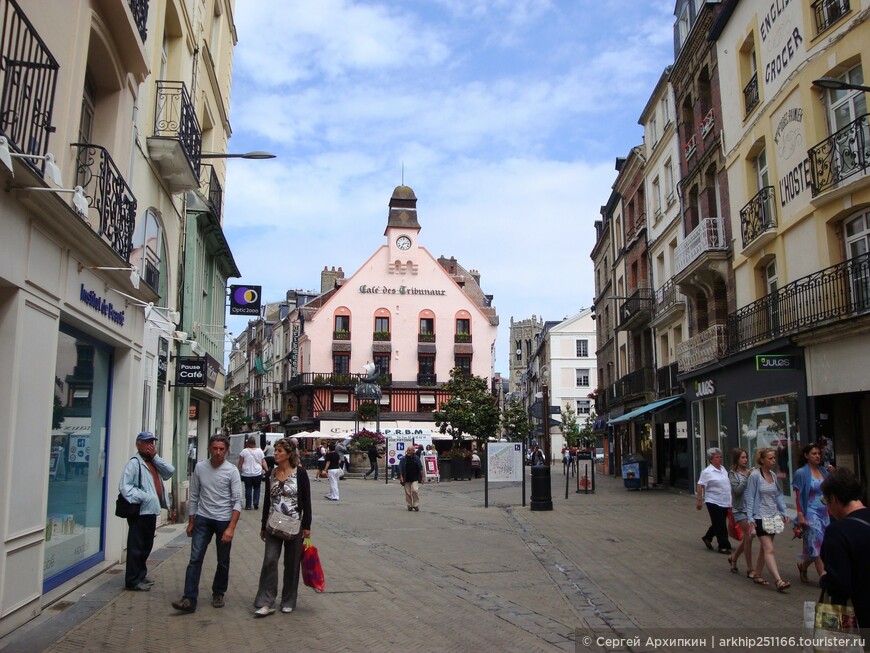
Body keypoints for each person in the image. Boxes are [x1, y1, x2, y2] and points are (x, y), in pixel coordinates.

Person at [172, 434, 242, 613]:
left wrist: (231, 528)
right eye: (215, 448)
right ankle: (189, 598)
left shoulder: (232, 471)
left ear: (226, 451)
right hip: (203, 519)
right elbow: (194, 496)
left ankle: (218, 592)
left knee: (223, 560)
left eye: (221, 449)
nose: (218, 452)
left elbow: (237, 501)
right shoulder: (200, 467)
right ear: (209, 449)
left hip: (223, 520)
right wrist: (191, 522)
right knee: (195, 559)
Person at [254, 439, 312, 617]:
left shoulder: (300, 473)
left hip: (294, 524)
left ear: (288, 454)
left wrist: (307, 525)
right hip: (273, 523)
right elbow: (267, 501)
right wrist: (263, 524)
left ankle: (288, 600)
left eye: (279, 451)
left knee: (291, 563)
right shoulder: (271, 473)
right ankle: (266, 601)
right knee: (270, 561)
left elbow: (307, 500)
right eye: (276, 450)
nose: (276, 454)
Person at [119, 432, 175, 591]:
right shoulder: (134, 463)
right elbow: (125, 486)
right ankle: (132, 580)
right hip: (140, 511)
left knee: (146, 546)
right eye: (147, 442)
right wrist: (144, 497)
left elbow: (170, 471)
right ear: (138, 444)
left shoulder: (153, 462)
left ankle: (140, 575)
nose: (150, 445)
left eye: (152, 442)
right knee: (136, 547)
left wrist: (156, 457)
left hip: (151, 511)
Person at [819, 468, 870, 627]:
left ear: (833, 498)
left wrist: (824, 580)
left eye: (826, 501)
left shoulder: (837, 531)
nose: (828, 508)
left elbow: (840, 585)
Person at [744, 447, 791, 591]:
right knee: (769, 549)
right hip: (760, 517)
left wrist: (784, 511)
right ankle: (778, 581)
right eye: (770, 458)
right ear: (762, 460)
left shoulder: (773, 475)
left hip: (773, 516)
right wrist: (750, 517)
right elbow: (750, 496)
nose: (773, 461)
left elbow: (778, 495)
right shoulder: (755, 476)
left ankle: (757, 574)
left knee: (765, 549)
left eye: (774, 458)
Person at [792, 443, 832, 583]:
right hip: (810, 512)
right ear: (806, 456)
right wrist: (800, 514)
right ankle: (823, 576)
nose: (817, 456)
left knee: (823, 543)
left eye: (818, 453)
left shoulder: (824, 471)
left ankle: (803, 566)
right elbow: (798, 495)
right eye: (814, 453)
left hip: (824, 512)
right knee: (816, 542)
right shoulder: (801, 473)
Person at [696, 447, 732, 555]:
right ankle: (723, 545)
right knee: (720, 523)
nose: (719, 459)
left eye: (720, 457)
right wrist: (699, 500)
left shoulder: (723, 469)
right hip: (713, 501)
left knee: (718, 522)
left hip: (725, 501)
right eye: (717, 457)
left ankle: (708, 537)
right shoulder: (707, 472)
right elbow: (700, 485)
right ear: (711, 459)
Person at [727, 448, 754, 575]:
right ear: (737, 459)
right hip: (739, 509)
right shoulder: (732, 474)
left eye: (746, 457)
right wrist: (747, 477)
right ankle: (750, 568)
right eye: (742, 458)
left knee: (749, 537)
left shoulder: (750, 472)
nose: (745, 460)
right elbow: (737, 490)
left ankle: (734, 558)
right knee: (748, 536)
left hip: (751, 509)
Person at [238, 436, 267, 510]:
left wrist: (238, 470)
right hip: (257, 473)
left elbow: (240, 462)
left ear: (248, 443)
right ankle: (256, 503)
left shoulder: (244, 451)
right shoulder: (260, 451)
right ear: (255, 442)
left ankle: (248, 506)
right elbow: (263, 461)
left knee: (248, 489)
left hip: (246, 473)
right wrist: (267, 470)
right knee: (257, 488)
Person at [398, 445, 424, 511]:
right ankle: (409, 505)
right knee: (408, 493)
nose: (408, 452)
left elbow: (420, 468)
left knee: (414, 490)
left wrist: (423, 477)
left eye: (410, 450)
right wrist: (401, 477)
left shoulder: (416, 458)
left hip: (415, 478)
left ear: (413, 451)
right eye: (408, 450)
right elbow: (400, 467)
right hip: (406, 478)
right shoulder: (404, 459)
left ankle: (416, 505)